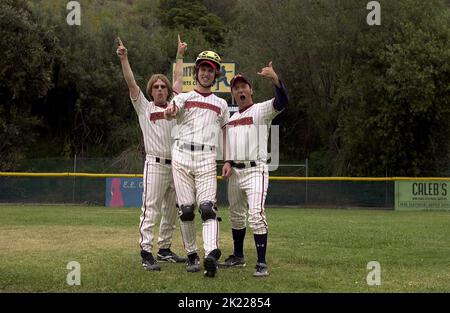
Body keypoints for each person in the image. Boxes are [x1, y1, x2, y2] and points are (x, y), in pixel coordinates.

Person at [116, 35, 188, 271]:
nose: (159, 89)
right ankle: (146, 252)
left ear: (167, 91)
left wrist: (179, 54)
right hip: (155, 164)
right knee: (151, 209)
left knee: (172, 211)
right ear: (151, 90)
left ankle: (165, 249)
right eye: (155, 87)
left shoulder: (173, 105)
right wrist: (124, 58)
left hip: (176, 165)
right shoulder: (144, 107)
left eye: (162, 86)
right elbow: (130, 83)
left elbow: (178, 77)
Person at [164, 51, 229, 277]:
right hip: (181, 155)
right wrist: (170, 112)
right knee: (187, 210)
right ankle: (192, 255)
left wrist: (227, 160)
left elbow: (225, 133)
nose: (206, 73)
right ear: (197, 71)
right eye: (202, 69)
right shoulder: (182, 98)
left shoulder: (221, 104)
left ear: (216, 74)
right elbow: (170, 113)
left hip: (206, 157)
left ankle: (211, 254)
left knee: (207, 208)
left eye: (210, 70)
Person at [221, 62, 288, 277]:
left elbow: (282, 101)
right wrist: (228, 162)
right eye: (236, 88)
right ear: (232, 94)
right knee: (236, 215)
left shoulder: (261, 109)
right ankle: (238, 256)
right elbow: (230, 146)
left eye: (243, 87)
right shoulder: (231, 119)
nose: (240, 90)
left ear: (251, 90)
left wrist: (275, 80)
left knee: (256, 215)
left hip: (255, 169)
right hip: (236, 172)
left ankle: (261, 263)